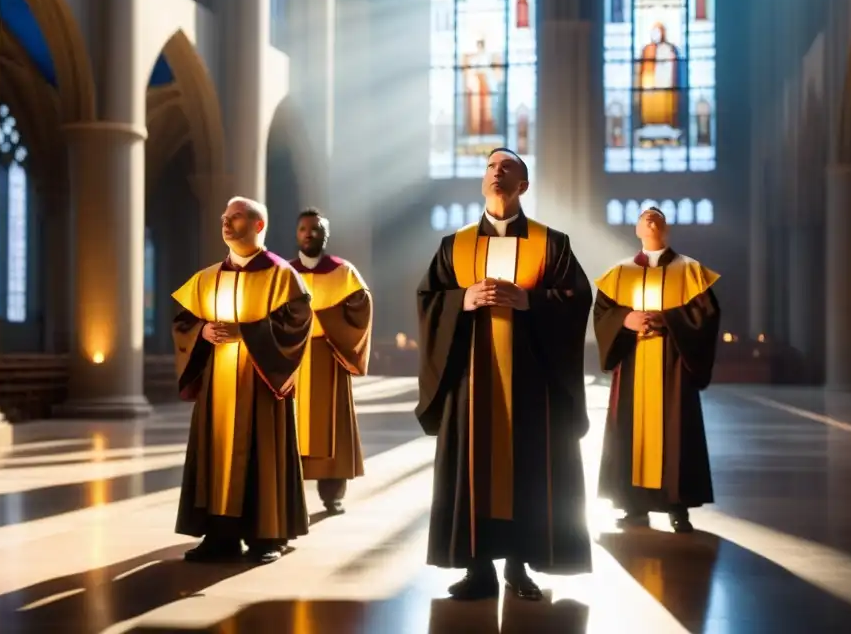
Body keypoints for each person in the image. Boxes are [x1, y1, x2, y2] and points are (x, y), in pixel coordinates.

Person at [415, 148, 593, 601]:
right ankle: (477, 570)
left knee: (527, 473)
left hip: (531, 386)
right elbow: (429, 299)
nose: (498, 172)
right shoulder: (453, 246)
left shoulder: (551, 242)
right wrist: (462, 300)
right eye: (491, 167)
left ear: (523, 186)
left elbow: (575, 299)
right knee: (472, 470)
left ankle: (519, 566)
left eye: (508, 167)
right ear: (483, 181)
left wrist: (531, 302)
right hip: (470, 383)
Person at [171, 196, 313, 563]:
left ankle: (267, 538)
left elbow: (296, 324)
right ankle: (220, 536)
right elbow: (183, 322)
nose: (226, 222)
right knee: (215, 458)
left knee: (261, 457)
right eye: (224, 217)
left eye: (235, 217)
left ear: (258, 225)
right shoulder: (207, 277)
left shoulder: (282, 275)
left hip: (261, 385)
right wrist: (201, 333)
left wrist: (246, 333)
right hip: (218, 388)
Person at [594, 206, 721, 533]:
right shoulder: (619, 273)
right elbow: (603, 313)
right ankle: (633, 505)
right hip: (633, 363)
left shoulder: (690, 271)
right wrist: (626, 319)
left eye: (657, 216)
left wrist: (670, 320)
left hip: (672, 366)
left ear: (667, 229)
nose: (650, 218)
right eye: (645, 216)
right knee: (631, 430)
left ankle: (677, 506)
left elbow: (706, 316)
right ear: (637, 229)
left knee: (676, 429)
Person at [289, 208, 372, 515]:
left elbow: (361, 306)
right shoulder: (285, 272)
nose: (309, 233)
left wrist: (325, 320)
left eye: (315, 228)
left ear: (325, 235)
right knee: (288, 427)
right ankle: (288, 491)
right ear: (296, 234)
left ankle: (333, 494)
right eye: (303, 229)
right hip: (292, 359)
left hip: (329, 355)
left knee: (332, 426)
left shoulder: (343, 271)